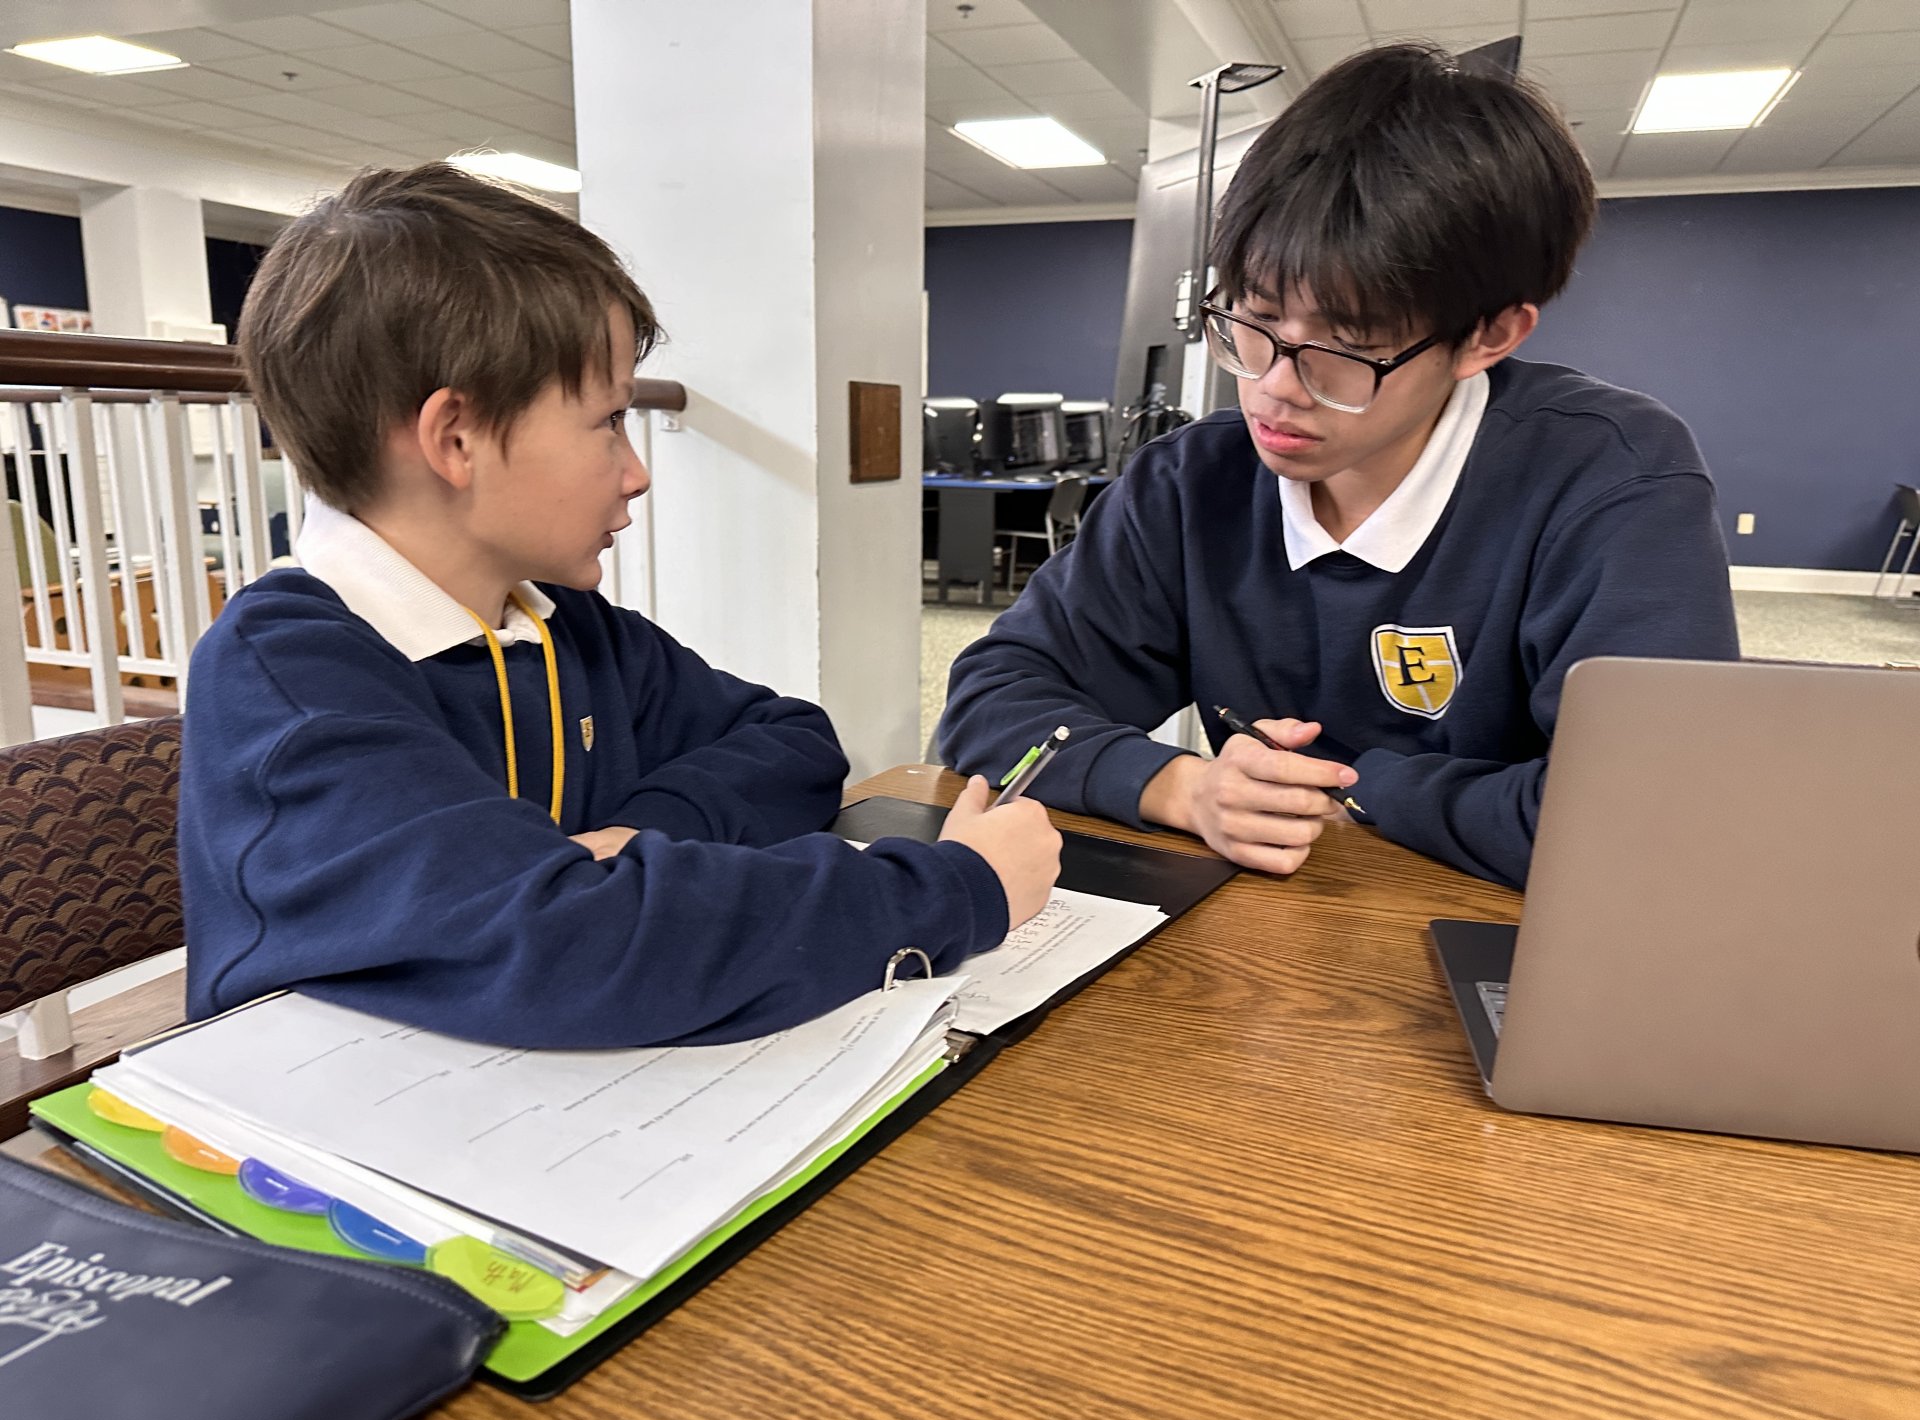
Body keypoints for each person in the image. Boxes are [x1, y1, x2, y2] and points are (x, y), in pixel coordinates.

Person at [180, 162, 1059, 1048]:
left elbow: (793, 743)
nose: (636, 473)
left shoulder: (559, 625)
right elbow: (569, 948)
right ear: (456, 439)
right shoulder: (292, 673)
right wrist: (956, 891)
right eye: (608, 423)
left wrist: (641, 839)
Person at [938, 43, 1739, 891]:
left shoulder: (1612, 477)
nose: (1276, 390)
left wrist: (1358, 790)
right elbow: (995, 697)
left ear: (1490, 336)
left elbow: (1654, 817)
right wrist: (1184, 786)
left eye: (1348, 348)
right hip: (1268, 936)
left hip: (1513, 939)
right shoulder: (1188, 484)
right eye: (1255, 320)